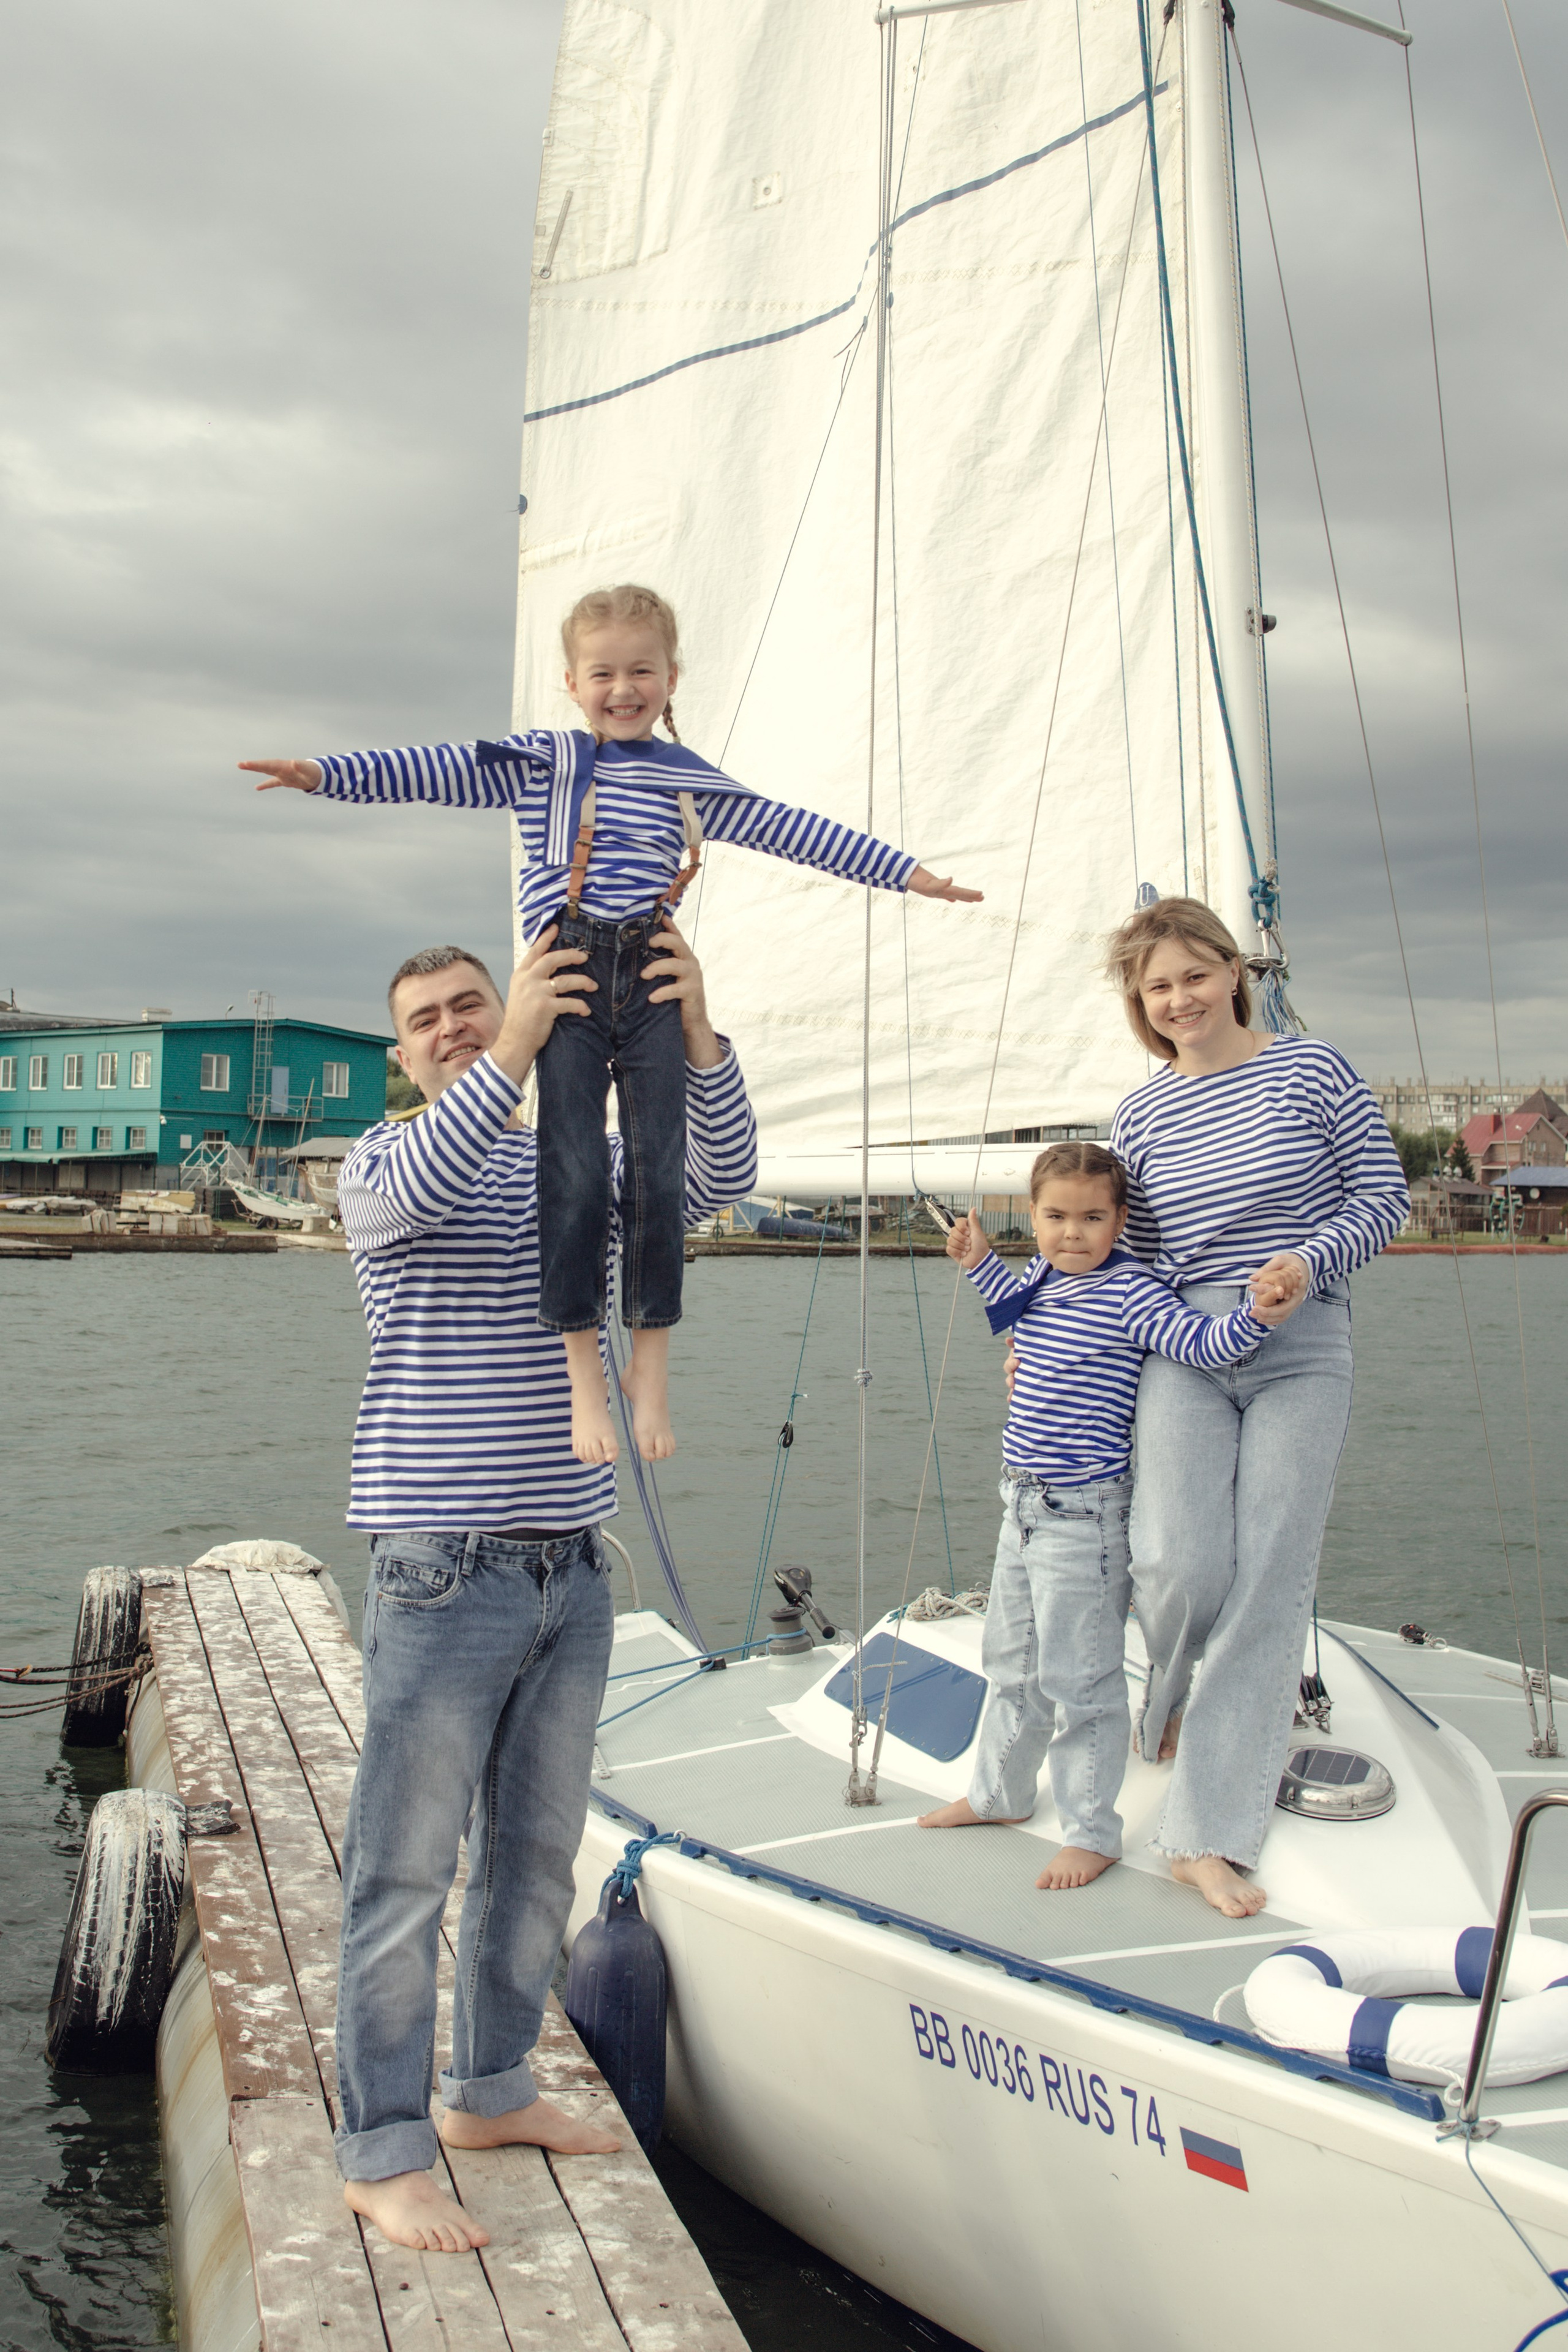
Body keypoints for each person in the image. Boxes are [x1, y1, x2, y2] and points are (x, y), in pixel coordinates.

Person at [241, 582, 979, 1469]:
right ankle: (586, 1376)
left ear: (672, 678)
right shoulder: (544, 761)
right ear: (570, 681)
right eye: (603, 672)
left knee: (660, 1170)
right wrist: (325, 775)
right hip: (570, 977)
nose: (622, 687)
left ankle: (651, 1371)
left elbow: (797, 831)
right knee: (578, 1169)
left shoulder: (688, 781)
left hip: (658, 974)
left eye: (641, 670)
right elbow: (434, 770)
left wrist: (911, 876)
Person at [330, 920, 758, 2253]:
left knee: (529, 1867)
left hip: (573, 1573)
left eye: (472, 1003)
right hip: (440, 1568)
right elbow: (439, 1162)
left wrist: (697, 1033)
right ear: (403, 1055)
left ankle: (489, 2091)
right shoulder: (387, 1164)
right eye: (430, 1020)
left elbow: (723, 1173)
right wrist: (516, 1040)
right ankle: (383, 2148)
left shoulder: (585, 1163)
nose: (455, 1024)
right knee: (402, 1878)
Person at [1104, 896, 1410, 1920]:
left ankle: (1205, 1834)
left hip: (1303, 1339)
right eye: (1158, 986)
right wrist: (1045, 1338)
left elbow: (1382, 1198)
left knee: (1271, 1576)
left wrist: (1304, 1265)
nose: (1180, 997)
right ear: (1142, 1004)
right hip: (1186, 1344)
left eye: (1195, 974)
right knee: (1179, 1564)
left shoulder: (1314, 1070)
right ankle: (1173, 1699)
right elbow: (1128, 1260)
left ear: (1233, 972)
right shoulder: (1139, 1116)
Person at [918, 1142, 1290, 1887]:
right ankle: (1000, 1794)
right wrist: (978, 1260)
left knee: (1078, 1679)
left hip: (1083, 1516)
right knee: (1010, 1664)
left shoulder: (1132, 1292)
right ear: (1032, 1217)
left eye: (1092, 1218)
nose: (1072, 1234)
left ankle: (1092, 1830)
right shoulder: (1039, 1277)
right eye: (1055, 1217)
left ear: (1120, 1221)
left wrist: (1254, 1316)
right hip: (1018, 1501)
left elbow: (1201, 1343)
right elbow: (1011, 1313)